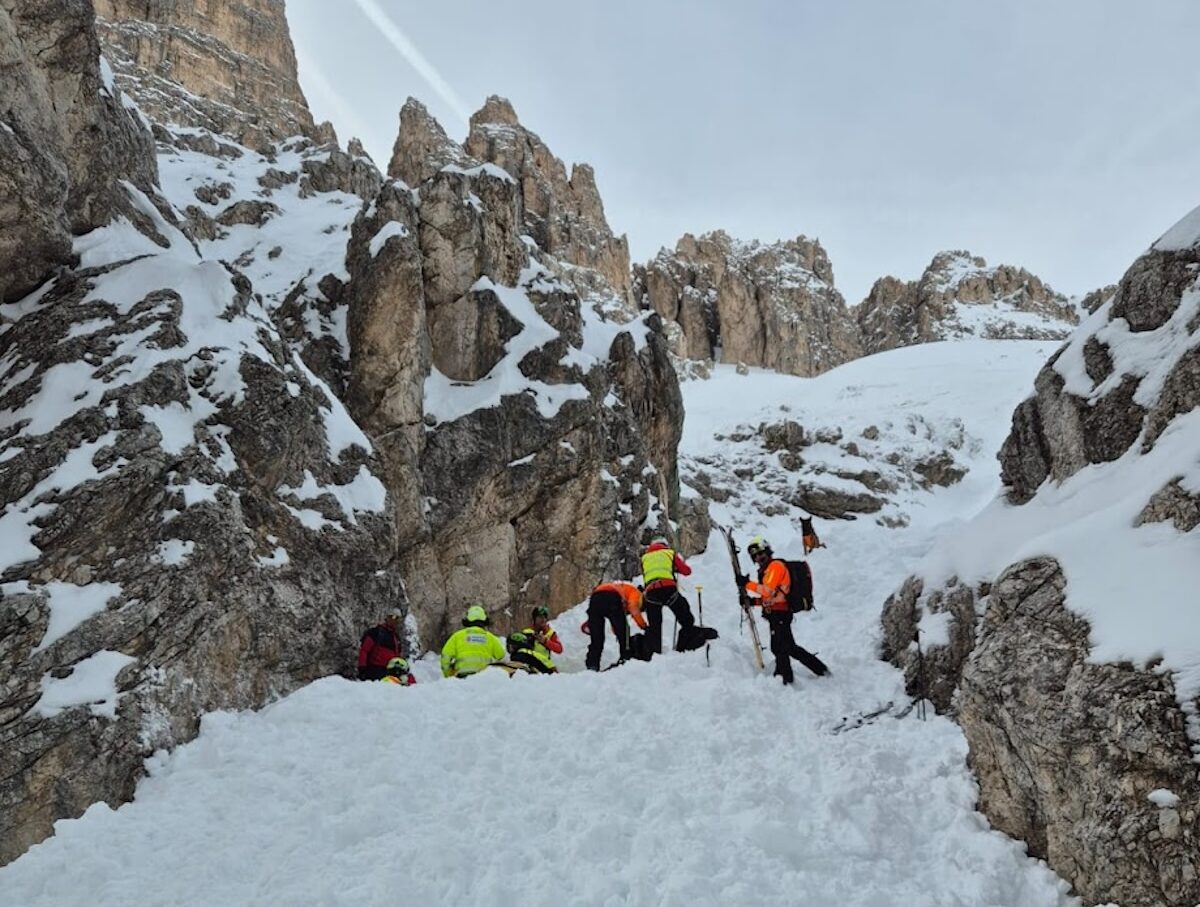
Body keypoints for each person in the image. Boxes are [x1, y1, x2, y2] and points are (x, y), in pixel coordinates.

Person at [739, 536, 829, 684]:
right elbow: (772, 597)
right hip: (776, 613)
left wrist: (747, 584)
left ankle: (785, 678)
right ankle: (819, 670)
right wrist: (752, 601)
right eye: (755, 556)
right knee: (788, 647)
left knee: (780, 647)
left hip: (780, 614)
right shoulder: (767, 570)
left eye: (761, 554)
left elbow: (767, 591)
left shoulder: (776, 567)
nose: (759, 558)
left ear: (768, 552)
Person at [639, 538, 696, 655]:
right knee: (687, 619)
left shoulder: (644, 558)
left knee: (655, 626)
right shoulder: (669, 553)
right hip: (668, 589)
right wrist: (674, 568)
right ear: (665, 545)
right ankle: (683, 647)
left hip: (651, 593)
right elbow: (687, 571)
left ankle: (654, 654)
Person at [584, 580, 647, 671]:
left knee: (597, 638)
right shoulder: (636, 592)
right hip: (611, 596)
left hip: (595, 598)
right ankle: (626, 657)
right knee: (625, 632)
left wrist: (617, 630)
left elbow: (616, 622)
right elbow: (633, 607)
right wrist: (643, 626)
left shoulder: (622, 589)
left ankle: (592, 665)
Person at [440, 605, 506, 678]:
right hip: (483, 678)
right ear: (485, 620)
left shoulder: (457, 636)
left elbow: (445, 657)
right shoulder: (490, 637)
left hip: (462, 677)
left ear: (467, 620)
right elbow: (501, 655)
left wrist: (447, 674)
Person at [357, 610, 404, 680]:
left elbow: (397, 656)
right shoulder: (375, 632)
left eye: (396, 619)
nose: (393, 620)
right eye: (391, 617)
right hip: (374, 671)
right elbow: (364, 650)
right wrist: (362, 668)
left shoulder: (396, 638)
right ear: (386, 618)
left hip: (390, 672)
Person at [520, 606, 562, 671]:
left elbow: (559, 649)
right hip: (529, 665)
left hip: (545, 666)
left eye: (545, 617)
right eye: (540, 617)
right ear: (534, 619)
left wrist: (546, 641)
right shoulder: (526, 632)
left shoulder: (550, 633)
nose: (543, 619)